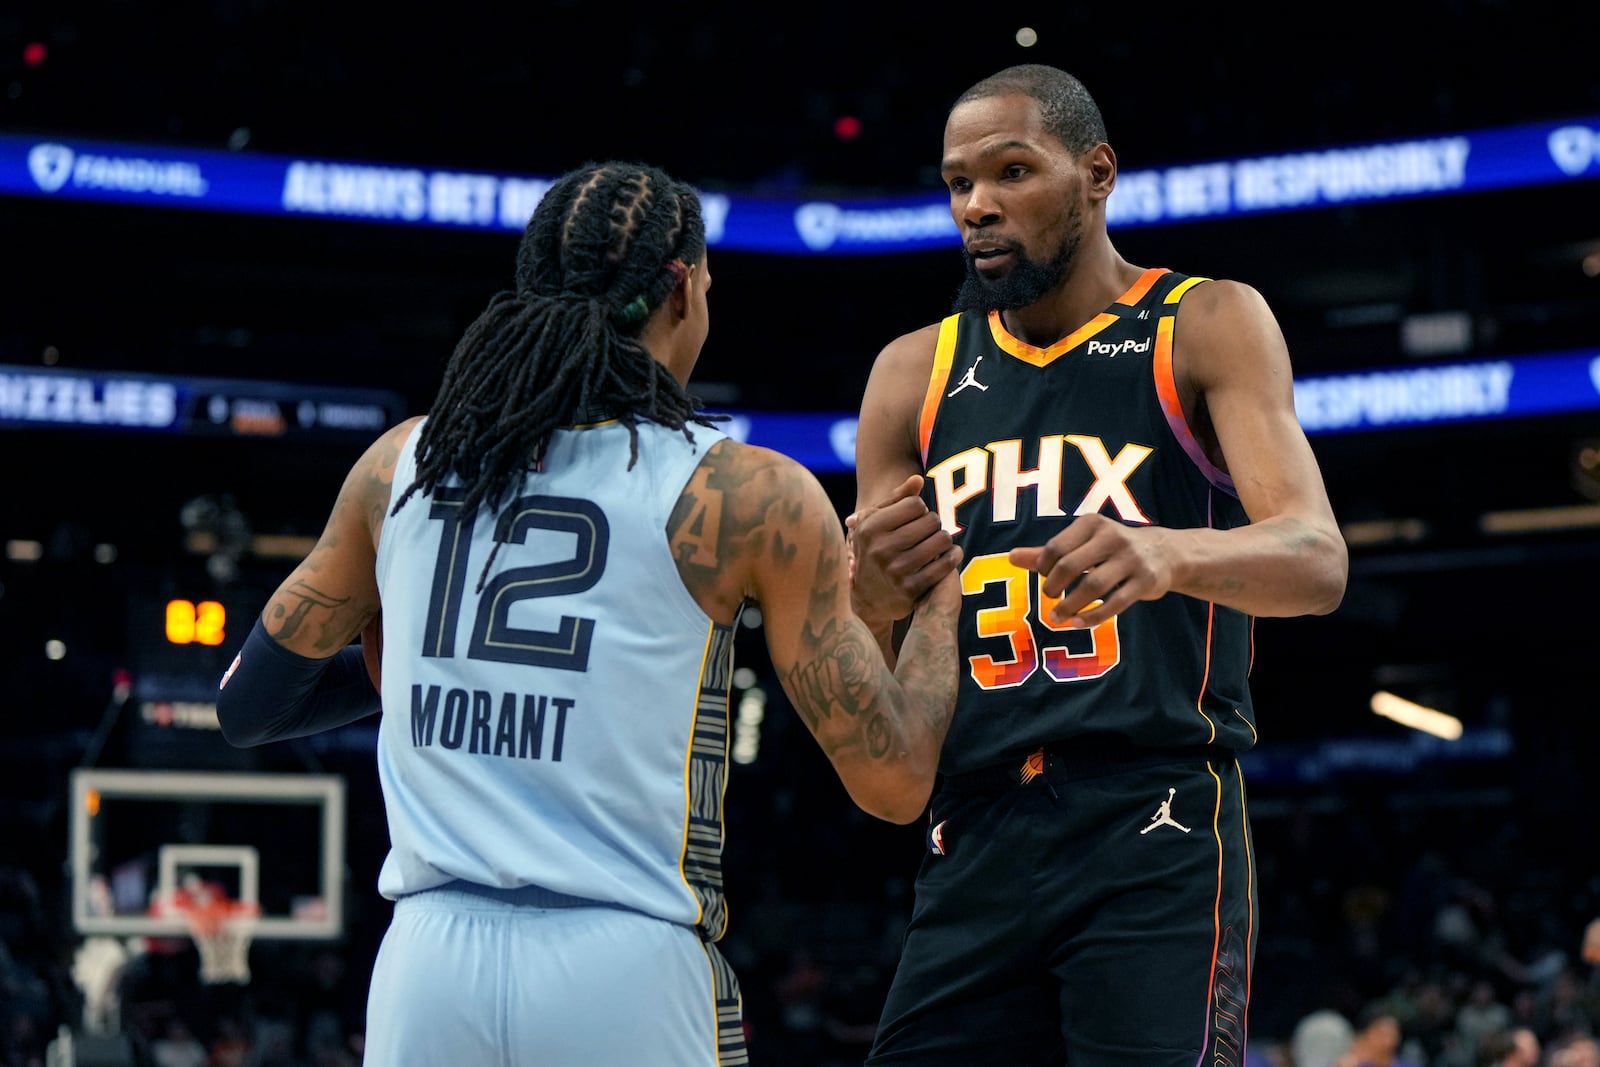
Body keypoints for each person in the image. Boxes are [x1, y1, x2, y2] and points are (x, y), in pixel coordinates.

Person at [214, 159, 963, 1066]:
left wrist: (426, 661)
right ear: (682, 288)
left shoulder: (399, 464)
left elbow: (252, 705)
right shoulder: (742, 493)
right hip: (622, 965)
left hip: (426, 966)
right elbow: (895, 783)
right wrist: (935, 605)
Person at [847, 64, 1349, 1066]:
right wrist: (861, 605)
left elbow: (1316, 557)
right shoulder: (912, 373)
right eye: (957, 183)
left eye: (1011, 171)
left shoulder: (1203, 321)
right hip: (972, 826)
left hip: (1151, 816)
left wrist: (1166, 549)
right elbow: (877, 710)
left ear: (1096, 173)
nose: (977, 204)